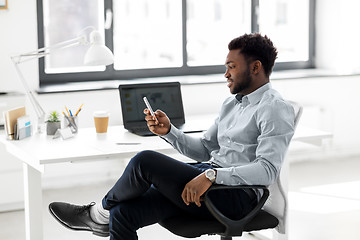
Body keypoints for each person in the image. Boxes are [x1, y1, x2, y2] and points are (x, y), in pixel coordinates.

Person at [49, 33, 295, 240]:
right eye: (226, 67)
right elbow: (204, 149)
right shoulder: (231, 105)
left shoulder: (274, 108)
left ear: (255, 67)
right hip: (209, 180)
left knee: (144, 161)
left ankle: (97, 215)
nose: (226, 74)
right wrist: (170, 132)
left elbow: (267, 170)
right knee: (123, 213)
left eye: (232, 66)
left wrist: (211, 175)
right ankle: (105, 217)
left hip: (236, 197)